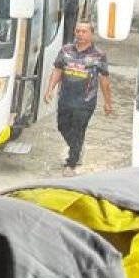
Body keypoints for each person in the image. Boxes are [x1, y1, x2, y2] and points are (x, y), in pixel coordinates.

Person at [44, 21, 113, 175]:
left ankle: (71, 163)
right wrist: (50, 90)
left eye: (84, 32)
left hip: (86, 101)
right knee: (62, 126)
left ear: (91, 34)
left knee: (78, 130)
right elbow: (57, 70)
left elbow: (104, 80)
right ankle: (77, 148)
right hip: (66, 98)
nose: (80, 34)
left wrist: (108, 102)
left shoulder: (98, 55)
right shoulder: (66, 50)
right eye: (78, 31)